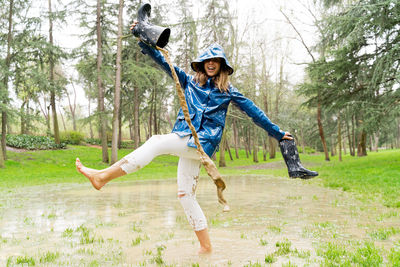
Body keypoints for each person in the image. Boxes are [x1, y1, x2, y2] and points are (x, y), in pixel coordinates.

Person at [76, 22, 315, 254]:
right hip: (185, 137)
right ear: (201, 64)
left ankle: (103, 178)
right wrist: (141, 38)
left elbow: (255, 113)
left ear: (222, 66)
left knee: (156, 142)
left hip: (202, 144)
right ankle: (206, 246)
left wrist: (277, 133)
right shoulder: (189, 81)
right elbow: (162, 61)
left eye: (216, 61)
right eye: (207, 60)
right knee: (185, 195)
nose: (211, 64)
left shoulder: (228, 92)